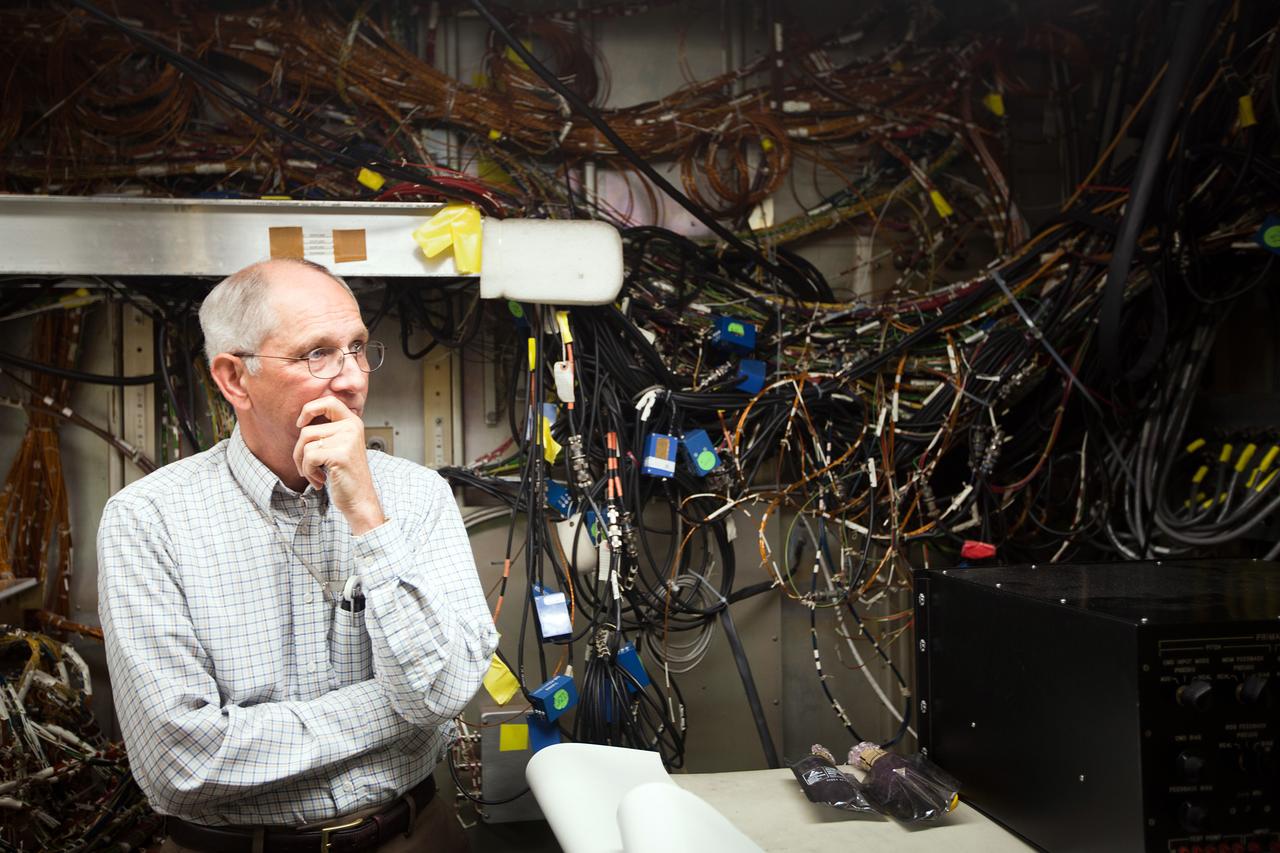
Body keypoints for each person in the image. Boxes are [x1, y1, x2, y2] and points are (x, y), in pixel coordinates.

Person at [97, 258, 497, 852]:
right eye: (317, 354)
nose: (354, 378)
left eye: (358, 348)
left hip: (411, 835)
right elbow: (179, 765)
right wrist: (395, 709)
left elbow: (440, 694)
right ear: (235, 379)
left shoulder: (417, 497)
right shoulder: (148, 520)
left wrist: (367, 516)